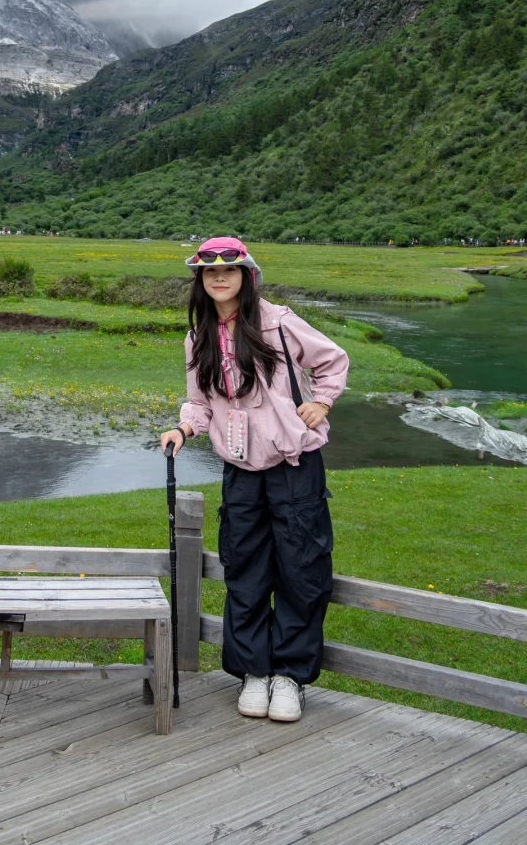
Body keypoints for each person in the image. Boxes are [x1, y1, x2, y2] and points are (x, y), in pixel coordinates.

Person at [160, 236, 348, 723]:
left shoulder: (279, 323)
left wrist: (322, 402)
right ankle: (254, 673)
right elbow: (200, 402)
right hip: (241, 469)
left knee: (301, 569)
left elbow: (332, 360)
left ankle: (289, 676)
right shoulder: (198, 337)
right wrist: (184, 429)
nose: (220, 277)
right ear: (200, 280)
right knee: (244, 570)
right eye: (210, 272)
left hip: (294, 464)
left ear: (248, 276)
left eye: (230, 270)